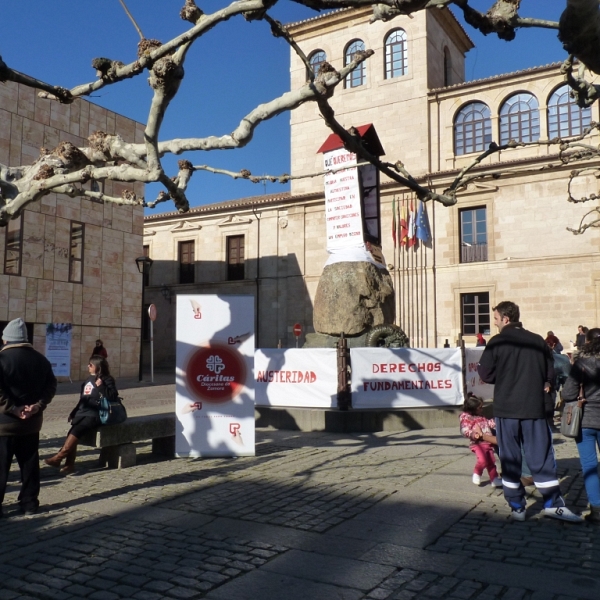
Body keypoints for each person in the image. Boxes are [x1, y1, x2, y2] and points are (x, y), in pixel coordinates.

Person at [477, 301, 583, 522]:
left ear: (505, 319)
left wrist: (504, 376)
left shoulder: (496, 342)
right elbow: (550, 373)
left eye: (496, 318)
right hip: (534, 407)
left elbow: (486, 374)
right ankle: (553, 504)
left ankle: (517, 506)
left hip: (507, 408)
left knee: (510, 457)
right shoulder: (537, 340)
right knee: (541, 455)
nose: (494, 323)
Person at [0, 318, 57, 516]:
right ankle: (30, 503)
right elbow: (51, 386)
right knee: (29, 465)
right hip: (31, 424)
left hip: (4, 425)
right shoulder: (41, 360)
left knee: (1, 468)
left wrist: (12, 408)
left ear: (7, 339)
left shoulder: (2, 359)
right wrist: (36, 407)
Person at [45, 356, 119, 475]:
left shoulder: (107, 379)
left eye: (90, 365)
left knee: (77, 431)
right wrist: (74, 412)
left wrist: (101, 386)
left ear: (97, 366)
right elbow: (83, 399)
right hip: (83, 412)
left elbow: (113, 395)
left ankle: (59, 457)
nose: (88, 367)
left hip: (96, 413)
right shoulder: (88, 380)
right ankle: (69, 465)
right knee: (72, 433)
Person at [562, 327, 600, 523]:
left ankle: (597, 509)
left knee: (589, 465)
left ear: (587, 342)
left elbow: (568, 393)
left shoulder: (581, 364)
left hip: (585, 419)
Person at [460, 393, 502, 488]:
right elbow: (464, 430)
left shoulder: (481, 416)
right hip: (477, 444)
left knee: (491, 461)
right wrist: (474, 434)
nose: (481, 409)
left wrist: (495, 421)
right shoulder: (466, 418)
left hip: (487, 443)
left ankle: (494, 479)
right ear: (472, 408)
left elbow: (487, 423)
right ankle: (477, 473)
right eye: (479, 407)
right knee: (483, 460)